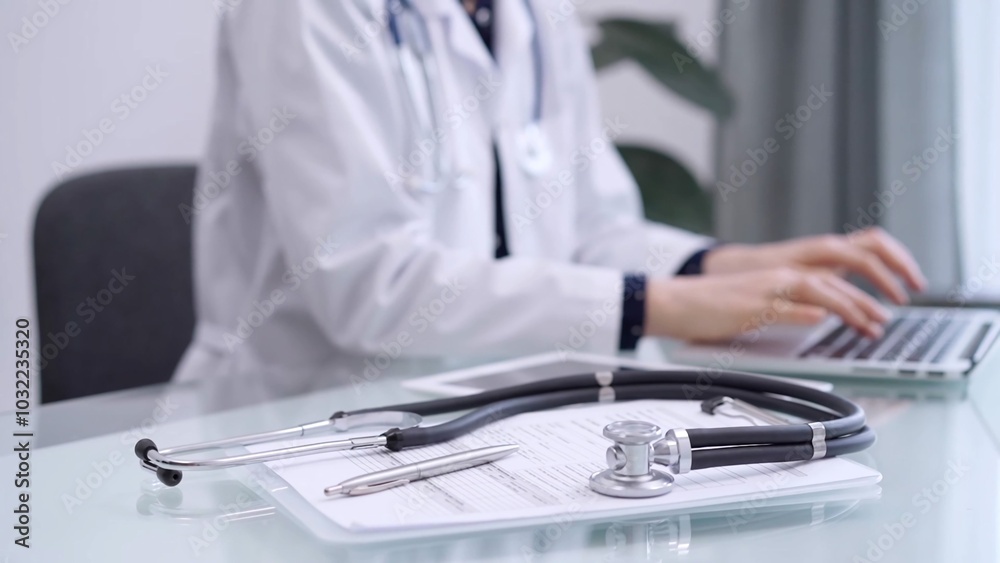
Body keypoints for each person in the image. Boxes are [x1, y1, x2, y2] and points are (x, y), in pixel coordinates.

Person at [172, 0, 926, 383]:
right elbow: (370, 287)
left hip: (485, 420)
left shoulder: (532, 11)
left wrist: (728, 267)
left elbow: (592, 228)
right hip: (300, 428)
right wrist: (657, 306)